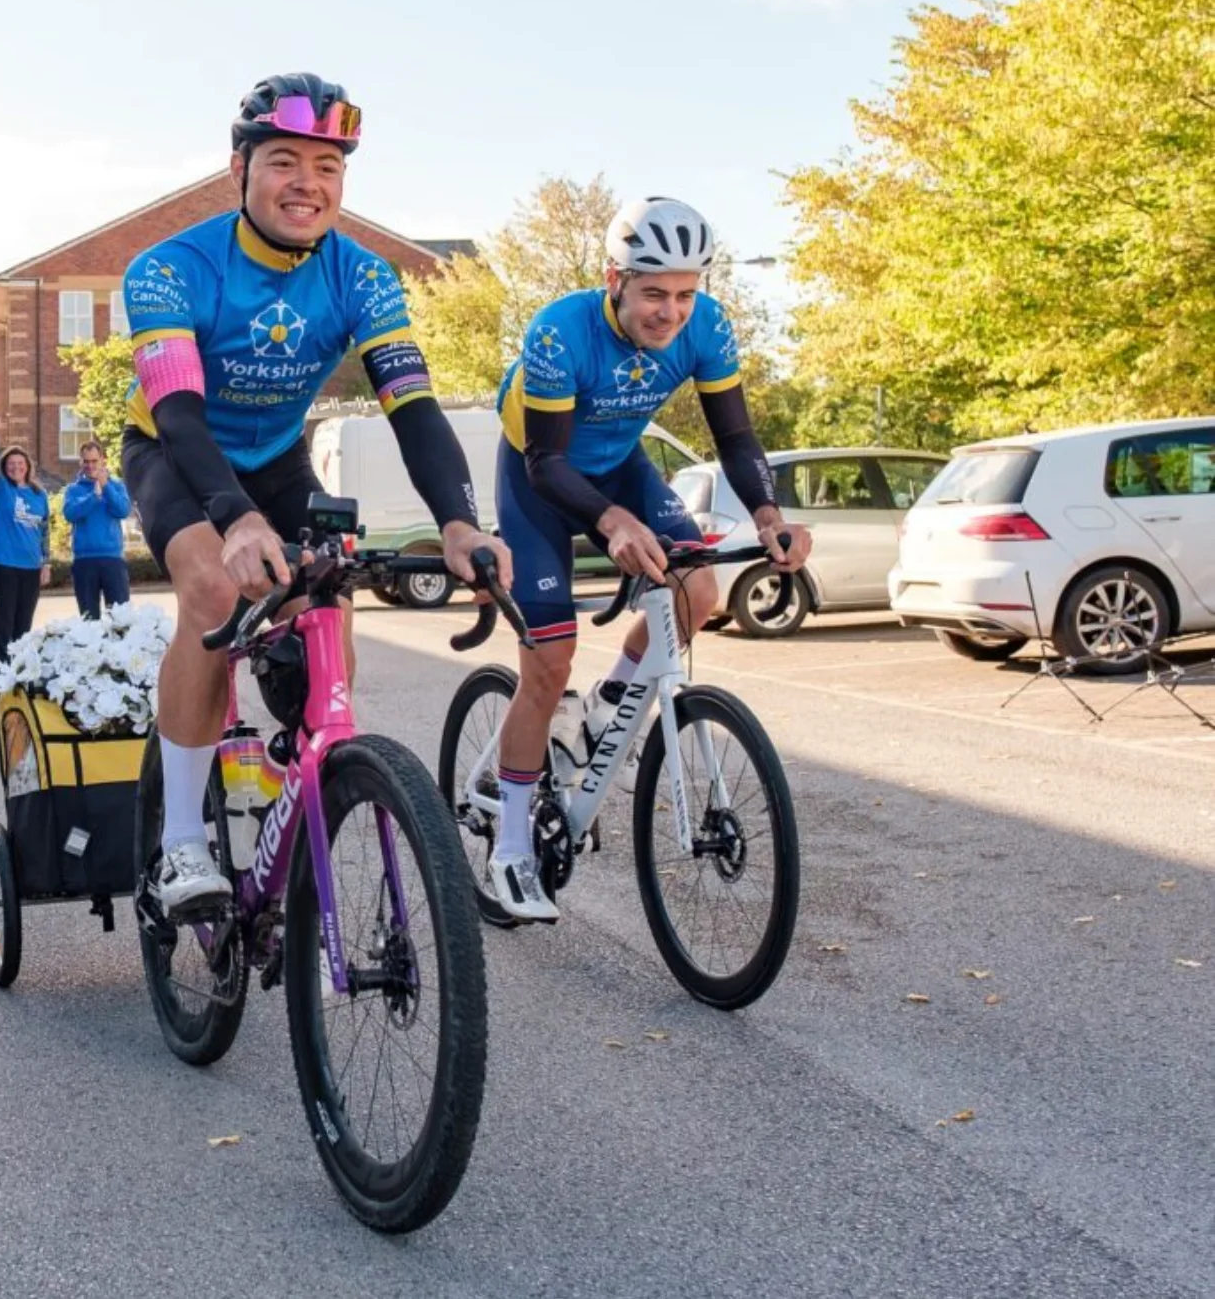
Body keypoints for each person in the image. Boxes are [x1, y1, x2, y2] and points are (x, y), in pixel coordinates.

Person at [121, 73, 508, 917]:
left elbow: (413, 409)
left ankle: (299, 779)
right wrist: (236, 520)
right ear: (239, 169)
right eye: (285, 161)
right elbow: (181, 416)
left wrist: (459, 524)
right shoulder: (168, 269)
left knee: (327, 598)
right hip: (177, 456)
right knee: (217, 594)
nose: (309, 183)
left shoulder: (365, 277)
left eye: (329, 168)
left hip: (278, 459)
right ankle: (183, 839)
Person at [483, 194, 811, 920]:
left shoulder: (711, 328)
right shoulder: (558, 334)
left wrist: (769, 515)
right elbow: (546, 464)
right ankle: (508, 848)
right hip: (542, 475)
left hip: (619, 463)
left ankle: (603, 711)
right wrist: (610, 521)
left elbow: (736, 437)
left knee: (698, 590)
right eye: (654, 293)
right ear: (614, 280)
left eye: (686, 295)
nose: (670, 312)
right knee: (548, 660)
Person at [0, 415, 51, 672]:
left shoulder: (38, 494)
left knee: (23, 627)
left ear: (27, 466)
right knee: (4, 626)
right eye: (10, 464)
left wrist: (46, 563)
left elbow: (45, 530)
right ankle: (4, 677)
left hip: (30, 568)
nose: (15, 467)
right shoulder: (1, 488)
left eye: (19, 463)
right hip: (4, 566)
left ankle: (20, 675)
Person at [63, 441, 135, 618]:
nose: (90, 465)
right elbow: (70, 513)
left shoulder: (117, 486)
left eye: (94, 461)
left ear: (103, 460)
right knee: (89, 621)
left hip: (113, 560)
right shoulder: (73, 490)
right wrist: (94, 495)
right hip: (84, 561)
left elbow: (123, 510)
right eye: (86, 461)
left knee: (119, 620)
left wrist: (106, 487)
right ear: (80, 462)